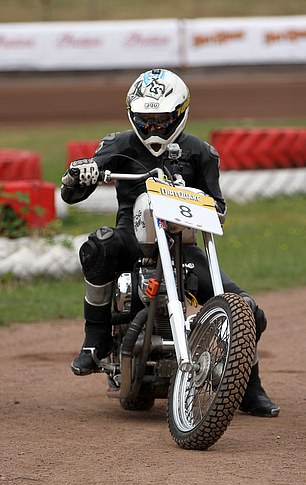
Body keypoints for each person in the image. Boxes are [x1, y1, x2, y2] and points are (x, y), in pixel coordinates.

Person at [61, 68, 280, 417]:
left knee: (247, 308)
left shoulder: (200, 152)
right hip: (132, 238)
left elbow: (219, 209)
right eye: (145, 121)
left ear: (179, 114)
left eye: (161, 121)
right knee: (97, 246)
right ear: (134, 117)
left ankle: (249, 387)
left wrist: (192, 196)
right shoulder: (117, 144)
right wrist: (78, 173)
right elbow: (72, 193)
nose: (153, 130)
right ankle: (95, 340)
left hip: (182, 245)